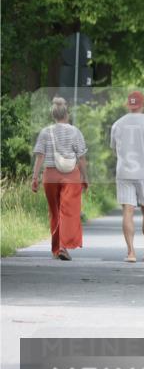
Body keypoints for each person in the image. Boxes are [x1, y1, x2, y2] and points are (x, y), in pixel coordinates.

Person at [31, 96, 88, 261]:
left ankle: (56, 248)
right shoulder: (75, 131)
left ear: (54, 115)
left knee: (55, 212)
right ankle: (63, 245)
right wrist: (85, 176)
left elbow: (39, 157)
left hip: (50, 175)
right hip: (70, 175)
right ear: (67, 114)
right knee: (68, 211)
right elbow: (82, 158)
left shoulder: (45, 132)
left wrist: (35, 177)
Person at [110, 90, 144, 263]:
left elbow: (114, 148)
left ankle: (130, 252)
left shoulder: (117, 124)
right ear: (143, 105)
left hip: (124, 172)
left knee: (127, 211)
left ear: (128, 105)